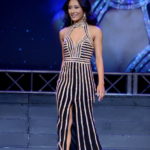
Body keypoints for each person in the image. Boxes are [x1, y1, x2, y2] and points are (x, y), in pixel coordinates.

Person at [56, 0, 105, 149]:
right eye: (70, 8)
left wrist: (101, 83)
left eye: (76, 7)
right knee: (65, 120)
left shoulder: (95, 30)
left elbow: (98, 58)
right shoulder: (63, 32)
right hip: (65, 80)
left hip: (84, 79)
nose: (73, 11)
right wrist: (60, 82)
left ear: (84, 9)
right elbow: (64, 59)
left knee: (85, 119)